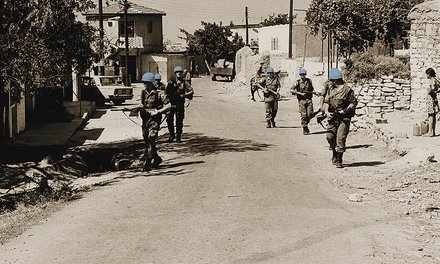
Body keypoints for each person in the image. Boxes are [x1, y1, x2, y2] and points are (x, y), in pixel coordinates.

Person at [323, 68, 357, 168]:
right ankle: (334, 152)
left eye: (331, 80)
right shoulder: (331, 89)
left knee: (340, 138)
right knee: (330, 136)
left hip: (344, 118)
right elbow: (327, 102)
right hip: (333, 116)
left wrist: (345, 110)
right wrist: (326, 112)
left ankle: (339, 158)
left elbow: (353, 103)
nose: (330, 82)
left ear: (335, 80)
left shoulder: (347, 89)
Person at [139, 72, 172, 171]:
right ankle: (156, 158)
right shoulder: (143, 93)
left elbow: (169, 105)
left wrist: (158, 111)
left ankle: (147, 162)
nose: (145, 85)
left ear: (152, 83)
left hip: (155, 121)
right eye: (144, 82)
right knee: (147, 140)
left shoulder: (159, 93)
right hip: (145, 121)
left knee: (151, 138)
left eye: (147, 83)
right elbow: (143, 105)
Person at [166, 66, 194, 143]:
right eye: (177, 72)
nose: (179, 73)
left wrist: (184, 95)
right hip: (171, 104)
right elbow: (166, 93)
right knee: (169, 120)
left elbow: (191, 91)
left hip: (180, 104)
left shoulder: (185, 82)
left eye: (180, 72)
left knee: (179, 120)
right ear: (175, 74)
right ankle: (171, 135)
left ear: (182, 74)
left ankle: (178, 136)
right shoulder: (171, 82)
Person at [291, 68, 315, 135]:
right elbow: (291, 90)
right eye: (301, 75)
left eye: (304, 74)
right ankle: (305, 127)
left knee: (310, 114)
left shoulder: (309, 81)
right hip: (301, 100)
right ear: (299, 75)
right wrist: (300, 93)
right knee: (303, 115)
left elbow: (311, 89)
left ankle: (305, 124)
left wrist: (314, 93)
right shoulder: (297, 82)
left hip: (309, 100)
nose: (303, 76)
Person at [425, 67, 439, 137]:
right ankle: (433, 132)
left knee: (430, 115)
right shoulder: (436, 80)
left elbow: (432, 88)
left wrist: (430, 91)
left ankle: (430, 132)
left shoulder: (432, 80)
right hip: (434, 98)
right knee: (433, 116)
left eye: (426, 74)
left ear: (429, 74)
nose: (426, 76)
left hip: (431, 99)